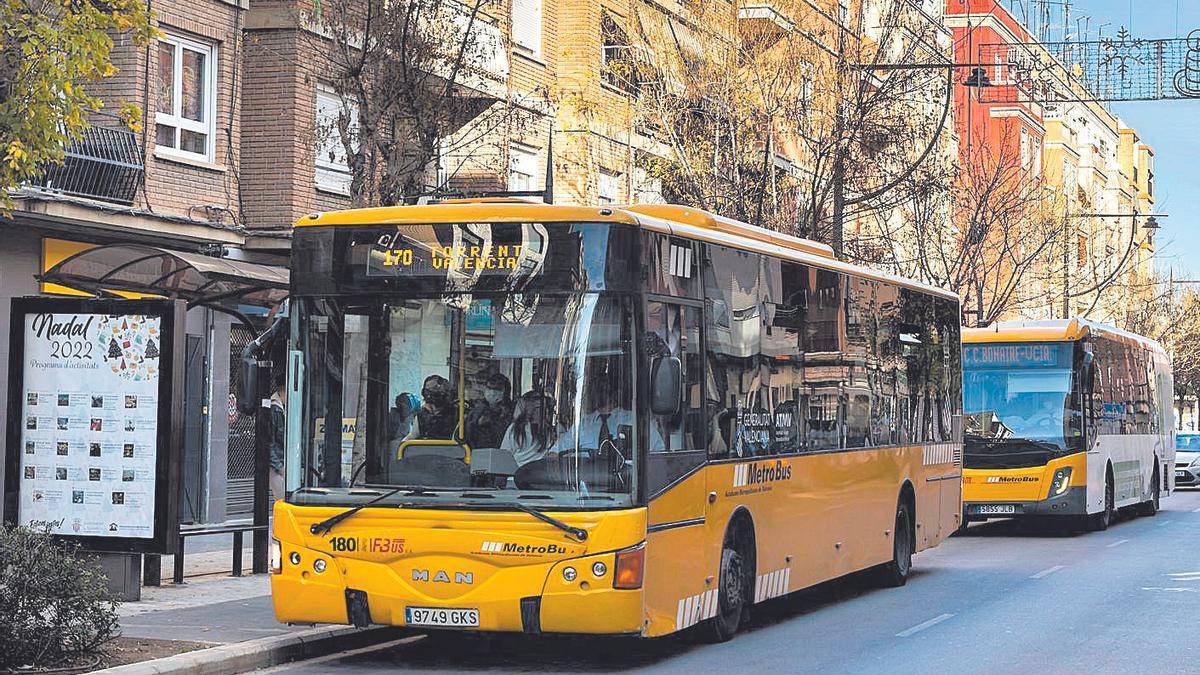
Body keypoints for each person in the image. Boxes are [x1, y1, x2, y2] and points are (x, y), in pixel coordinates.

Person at [502, 390, 560, 489]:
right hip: (540, 481)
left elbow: (504, 456)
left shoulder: (515, 429)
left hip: (517, 480)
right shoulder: (555, 429)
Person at [465, 373, 513, 449]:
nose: (492, 392)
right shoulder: (477, 410)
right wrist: (476, 425)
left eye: (497, 389)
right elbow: (464, 435)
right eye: (489, 388)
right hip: (476, 454)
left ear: (505, 392)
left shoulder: (511, 412)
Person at [406, 375, 460, 440]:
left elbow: (456, 439)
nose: (430, 394)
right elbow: (413, 435)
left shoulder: (456, 413)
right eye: (428, 390)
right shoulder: (422, 414)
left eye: (435, 389)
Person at [268, 378, 287, 502]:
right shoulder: (274, 409)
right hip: (276, 464)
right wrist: (279, 466)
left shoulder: (283, 408)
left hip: (280, 462)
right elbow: (269, 443)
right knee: (281, 499)